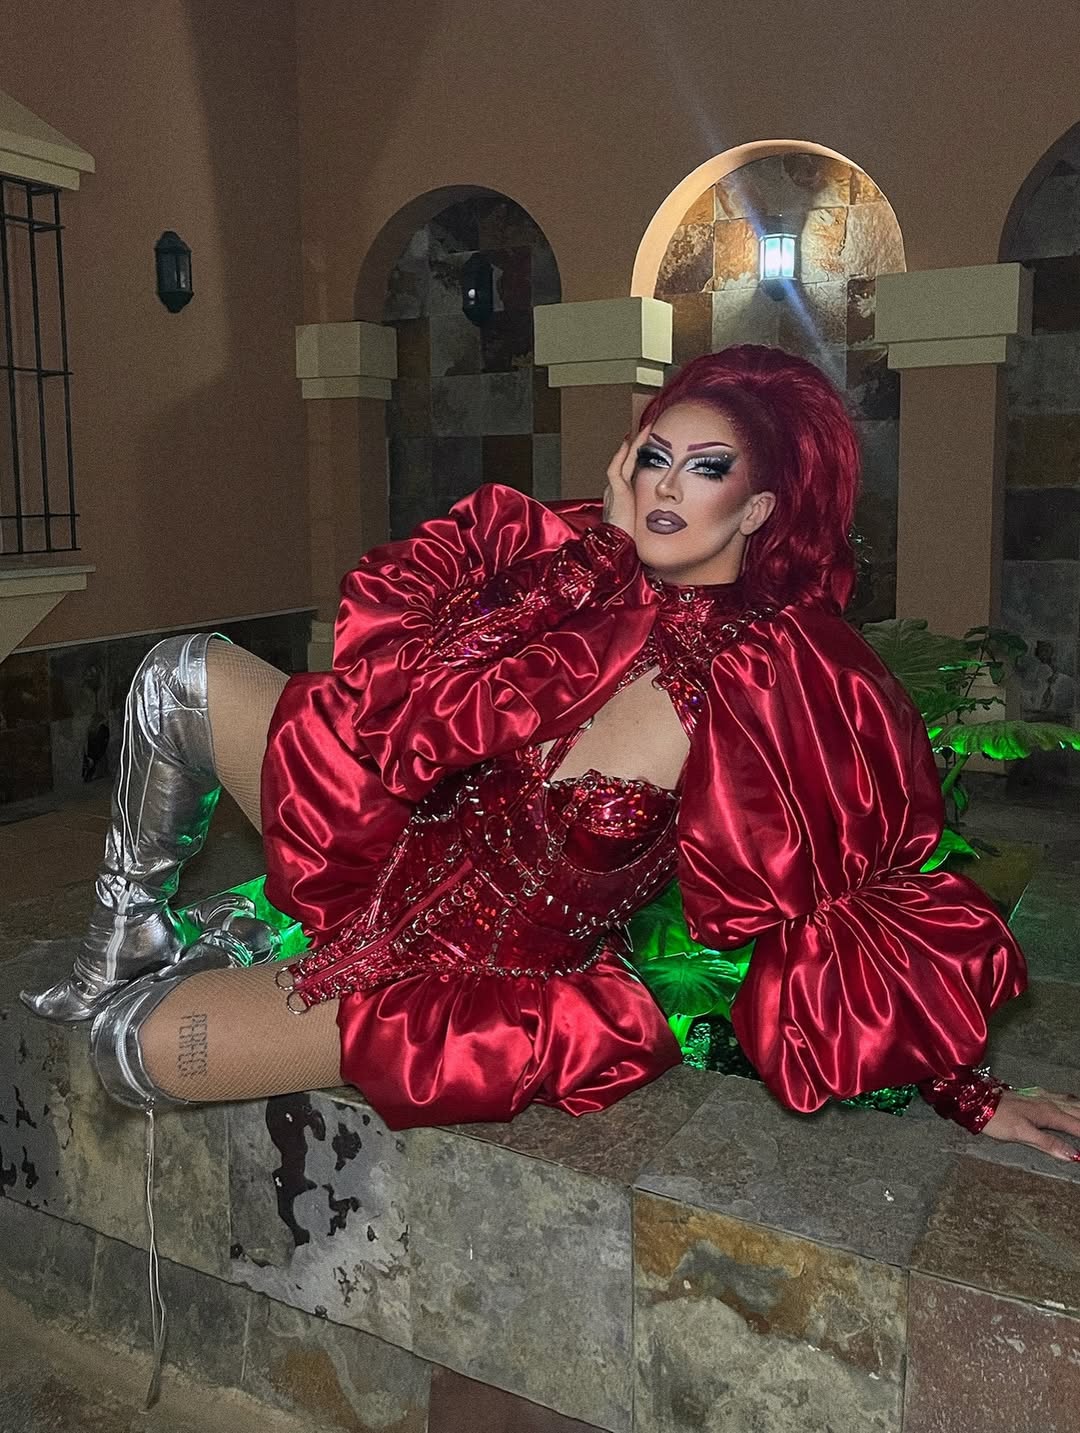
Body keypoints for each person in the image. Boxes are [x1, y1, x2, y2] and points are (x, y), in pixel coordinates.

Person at [21, 345, 1080, 1160]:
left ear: (757, 506)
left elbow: (850, 895)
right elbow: (411, 692)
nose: (668, 487)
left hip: (478, 987)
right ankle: (140, 937)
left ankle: (244, 948)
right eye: (655, 456)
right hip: (386, 850)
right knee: (180, 672)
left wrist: (968, 1092)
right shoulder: (584, 567)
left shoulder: (774, 675)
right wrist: (595, 557)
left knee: (128, 1048)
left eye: (707, 469)